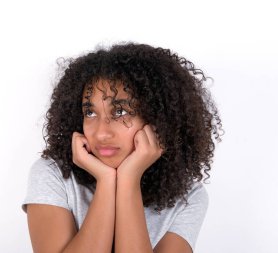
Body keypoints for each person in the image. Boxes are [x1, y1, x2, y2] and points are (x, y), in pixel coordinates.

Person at [22, 43, 222, 253]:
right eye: (90, 113)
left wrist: (128, 180)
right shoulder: (53, 175)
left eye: (120, 112)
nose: (101, 133)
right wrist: (106, 182)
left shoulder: (188, 197)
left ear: (158, 120)